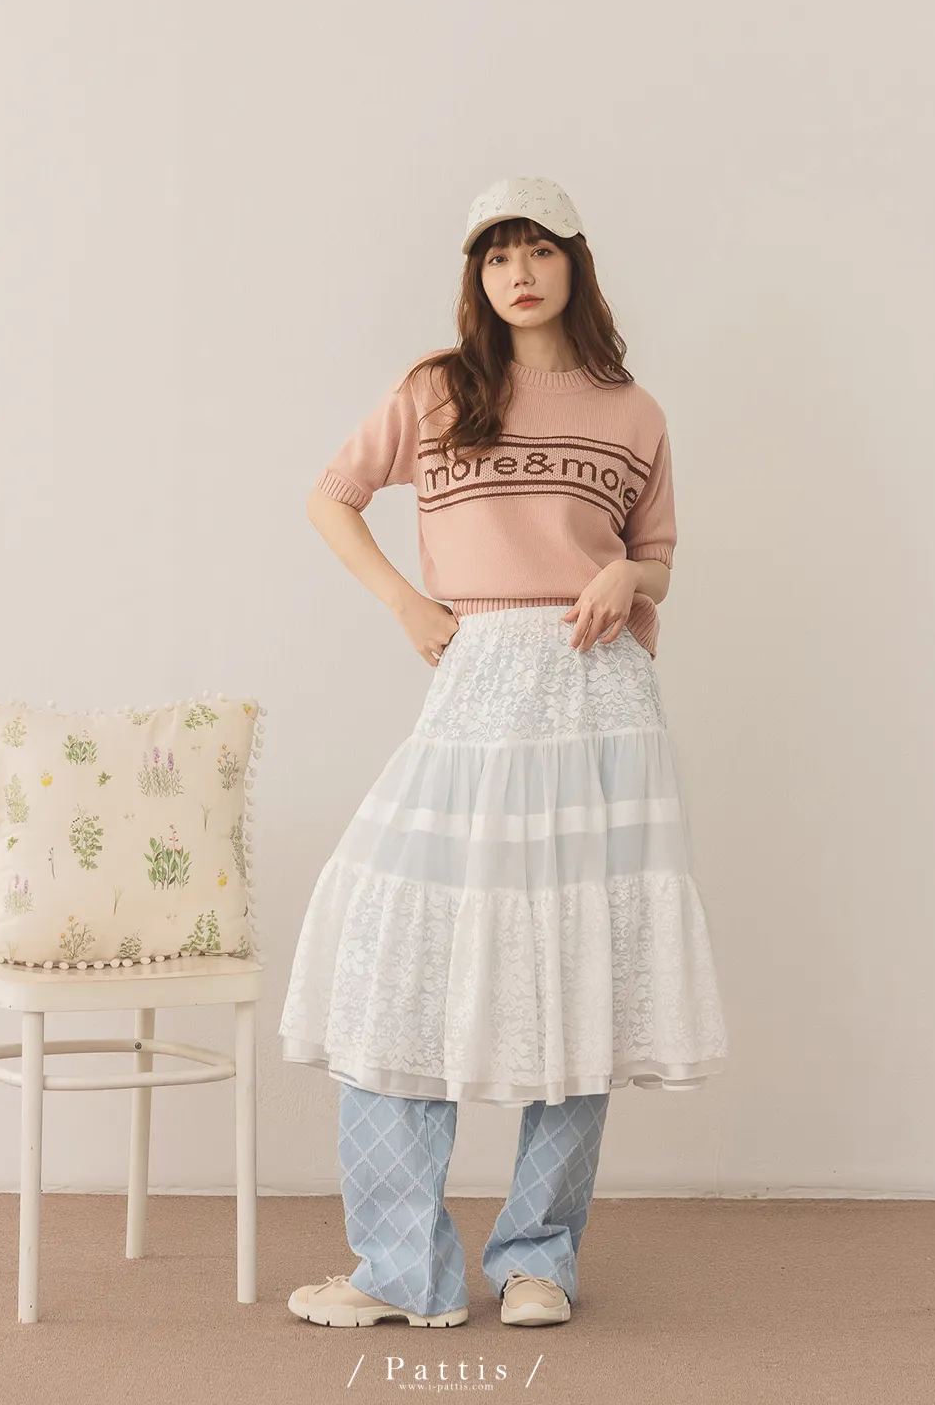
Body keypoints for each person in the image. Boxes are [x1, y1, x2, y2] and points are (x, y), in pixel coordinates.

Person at [280, 177, 728, 1329]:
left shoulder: (634, 411)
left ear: (576, 262)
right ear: (477, 277)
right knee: (396, 960)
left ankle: (539, 1259)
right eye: (495, 256)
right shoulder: (438, 389)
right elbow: (332, 497)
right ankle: (403, 1269)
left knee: (579, 972)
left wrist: (628, 575)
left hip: (598, 695)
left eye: (538, 251)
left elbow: (660, 557)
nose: (518, 274)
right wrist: (405, 604)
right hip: (480, 683)